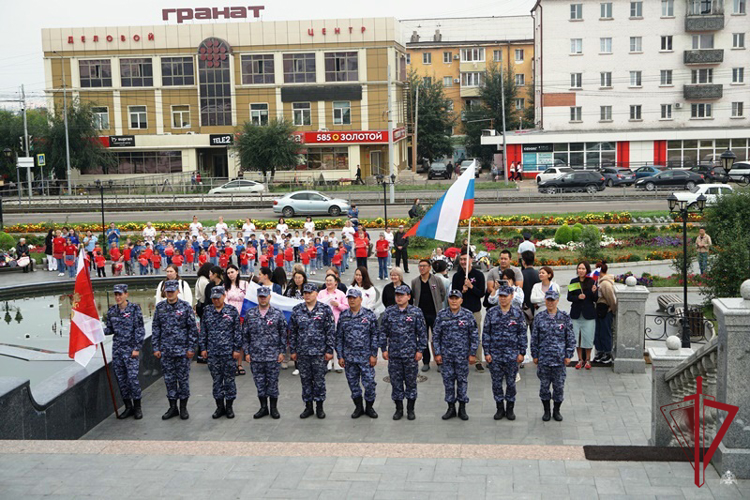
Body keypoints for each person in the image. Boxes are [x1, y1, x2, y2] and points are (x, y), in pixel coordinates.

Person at [151, 280, 198, 421]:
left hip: (182, 351)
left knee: (183, 380)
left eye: (172, 291)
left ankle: (183, 407)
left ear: (178, 291)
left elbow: (192, 329)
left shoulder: (185, 307)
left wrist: (191, 348)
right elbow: (156, 328)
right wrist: (156, 347)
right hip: (166, 351)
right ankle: (173, 407)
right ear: (165, 292)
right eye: (168, 291)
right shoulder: (160, 308)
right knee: (169, 380)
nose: (170, 294)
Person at [380, 284, 427, 421]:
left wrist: (420, 350)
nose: (399, 298)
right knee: (396, 383)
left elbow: (422, 333)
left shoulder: (416, 312)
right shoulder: (389, 312)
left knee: (411, 382)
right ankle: (399, 409)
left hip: (410, 355)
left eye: (402, 295)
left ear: (408, 297)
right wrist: (383, 349)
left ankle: (410, 409)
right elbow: (383, 332)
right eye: (397, 295)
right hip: (394, 355)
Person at [289, 283, 336, 419]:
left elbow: (330, 331)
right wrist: (293, 350)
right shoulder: (297, 310)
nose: (307, 295)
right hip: (303, 352)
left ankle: (320, 407)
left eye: (310, 292)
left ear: (316, 293)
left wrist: (329, 350)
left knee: (319, 380)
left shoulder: (325, 309)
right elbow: (293, 332)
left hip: (319, 352)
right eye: (305, 293)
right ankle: (308, 406)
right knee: (305, 380)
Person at [433, 290, 479, 421]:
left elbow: (474, 336)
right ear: (448, 300)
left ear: (461, 300)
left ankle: (462, 408)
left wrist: (472, 353)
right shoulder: (442, 315)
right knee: (448, 382)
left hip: (462, 356)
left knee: (462, 381)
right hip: (446, 356)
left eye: (456, 298)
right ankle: (451, 407)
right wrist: (437, 353)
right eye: (451, 298)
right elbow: (436, 336)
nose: (453, 301)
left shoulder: (468, 315)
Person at [483, 285, 527, 421]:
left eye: (505, 296)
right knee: (496, 383)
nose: (502, 299)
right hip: (495, 354)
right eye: (500, 296)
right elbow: (486, 333)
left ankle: (510, 408)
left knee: (511, 383)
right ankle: (499, 408)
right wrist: (487, 352)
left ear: (511, 297)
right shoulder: (491, 313)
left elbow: (522, 334)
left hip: (512, 354)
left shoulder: (518, 313)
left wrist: (522, 352)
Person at [531, 289, 576, 422]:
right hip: (544, 359)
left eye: (552, 300)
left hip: (559, 359)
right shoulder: (539, 317)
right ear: (545, 301)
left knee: (559, 387)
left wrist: (568, 355)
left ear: (557, 301)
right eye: (548, 300)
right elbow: (534, 339)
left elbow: (570, 338)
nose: (550, 303)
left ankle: (556, 411)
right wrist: (535, 355)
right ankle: (546, 411)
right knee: (544, 387)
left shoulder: (564, 317)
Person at [243, 286, 287, 419]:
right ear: (257, 298)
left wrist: (282, 351)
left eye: (265, 296)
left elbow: (283, 334)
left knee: (273, 382)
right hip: (256, 355)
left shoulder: (277, 313)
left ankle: (273, 408)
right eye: (261, 297)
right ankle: (263, 407)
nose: (263, 299)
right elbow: (245, 335)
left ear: (269, 297)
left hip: (273, 355)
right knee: (259, 383)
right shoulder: (250, 314)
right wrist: (247, 352)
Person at [336, 288, 380, 419]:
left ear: (361, 299)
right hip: (349, 358)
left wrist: (373, 354)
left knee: (370, 384)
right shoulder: (344, 316)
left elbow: (374, 336)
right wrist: (340, 355)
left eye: (354, 298)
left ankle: (369, 407)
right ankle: (358, 407)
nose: (352, 300)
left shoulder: (369, 315)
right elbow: (339, 337)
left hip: (366, 357)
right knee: (353, 384)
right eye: (349, 298)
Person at [104, 284, 146, 420]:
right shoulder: (112, 311)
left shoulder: (134, 309)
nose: (117, 297)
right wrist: (95, 331)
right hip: (117, 351)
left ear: (126, 294)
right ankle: (128, 407)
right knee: (121, 380)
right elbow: (109, 329)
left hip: (130, 350)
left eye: (120, 294)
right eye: (116, 294)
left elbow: (140, 330)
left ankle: (137, 407)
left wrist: (136, 348)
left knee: (133, 379)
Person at [199, 287, 242, 419]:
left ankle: (229, 407)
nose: (216, 300)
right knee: (217, 381)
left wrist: (236, 349)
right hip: (213, 353)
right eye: (214, 298)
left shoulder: (232, 311)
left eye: (218, 297)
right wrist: (203, 348)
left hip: (229, 353)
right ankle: (219, 407)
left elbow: (237, 332)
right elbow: (203, 331)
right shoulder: (207, 311)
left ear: (224, 296)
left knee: (229, 380)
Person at [452, 250, 486, 371]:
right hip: (460, 312)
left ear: (471, 260)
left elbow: (481, 293)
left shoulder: (479, 275)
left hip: (474, 311)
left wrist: (471, 287)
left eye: (465, 259)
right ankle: (461, 359)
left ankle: (477, 360)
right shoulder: (457, 276)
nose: (463, 262)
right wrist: (462, 291)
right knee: (460, 336)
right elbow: (453, 296)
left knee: (476, 336)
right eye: (461, 259)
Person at [411, 259, 446, 372]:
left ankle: (439, 361)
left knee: (437, 338)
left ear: (429, 267)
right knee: (423, 339)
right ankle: (426, 361)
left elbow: (442, 294)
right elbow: (414, 296)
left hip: (435, 313)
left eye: (424, 266)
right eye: (420, 266)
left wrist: (437, 305)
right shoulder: (415, 281)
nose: (422, 268)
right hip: (421, 315)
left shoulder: (437, 279)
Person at [567, 261, 598, 370]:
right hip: (576, 314)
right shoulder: (573, 281)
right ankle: (580, 359)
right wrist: (577, 298)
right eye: (579, 268)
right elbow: (569, 297)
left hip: (588, 314)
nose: (581, 270)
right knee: (577, 338)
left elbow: (595, 299)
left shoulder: (592, 282)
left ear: (587, 270)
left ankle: (588, 360)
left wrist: (594, 292)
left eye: (583, 269)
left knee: (588, 337)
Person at [318, 274, 348, 374]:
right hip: (324, 323)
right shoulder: (321, 293)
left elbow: (347, 307)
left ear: (336, 282)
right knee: (325, 342)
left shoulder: (340, 294)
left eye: (330, 280)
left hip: (337, 321)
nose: (328, 283)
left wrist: (337, 305)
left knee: (337, 342)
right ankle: (327, 363)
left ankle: (338, 363)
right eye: (327, 281)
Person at [224, 264, 249, 376]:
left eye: (232, 272)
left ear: (237, 272)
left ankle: (240, 364)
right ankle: (232, 364)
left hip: (243, 314)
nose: (230, 275)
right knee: (231, 339)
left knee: (242, 339)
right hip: (230, 315)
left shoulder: (245, 284)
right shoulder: (225, 286)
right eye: (228, 273)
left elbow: (249, 299)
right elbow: (224, 301)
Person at [594, 262, 617, 365]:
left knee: (605, 332)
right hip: (599, 310)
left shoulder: (605, 283)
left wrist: (612, 310)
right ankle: (600, 352)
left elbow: (611, 299)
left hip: (605, 310)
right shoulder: (599, 282)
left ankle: (607, 353)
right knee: (598, 332)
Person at [520, 251, 540, 326]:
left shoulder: (520, 275)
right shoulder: (539, 274)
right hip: (536, 307)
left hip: (524, 307)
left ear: (523, 262)